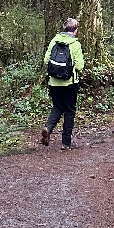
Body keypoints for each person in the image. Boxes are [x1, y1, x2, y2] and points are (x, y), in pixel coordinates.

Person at [40, 17, 85, 149]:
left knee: (58, 106)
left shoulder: (54, 40)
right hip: (70, 83)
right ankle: (66, 142)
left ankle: (48, 128)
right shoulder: (75, 44)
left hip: (53, 81)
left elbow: (46, 60)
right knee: (70, 111)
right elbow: (80, 66)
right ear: (75, 30)